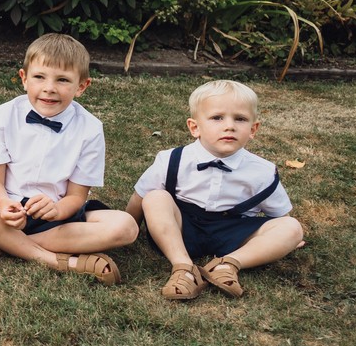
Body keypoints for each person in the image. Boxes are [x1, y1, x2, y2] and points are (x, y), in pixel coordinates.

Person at [0, 33, 138, 283]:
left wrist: (56, 209)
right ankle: (53, 260)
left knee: (126, 227)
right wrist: (3, 203)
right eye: (39, 77)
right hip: (3, 209)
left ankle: (0, 243)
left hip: (55, 219)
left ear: (81, 86)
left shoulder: (90, 129)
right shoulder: (3, 115)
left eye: (63, 80)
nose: (49, 88)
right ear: (24, 79)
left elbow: (76, 197)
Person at [125, 79, 305, 300]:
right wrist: (129, 228)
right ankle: (183, 267)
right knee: (155, 198)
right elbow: (139, 197)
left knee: (293, 227)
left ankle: (228, 265)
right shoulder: (171, 159)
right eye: (217, 118)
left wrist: (286, 240)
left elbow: (281, 217)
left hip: (233, 235)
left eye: (240, 119)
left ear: (253, 129)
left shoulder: (263, 171)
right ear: (195, 127)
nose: (229, 126)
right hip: (182, 230)